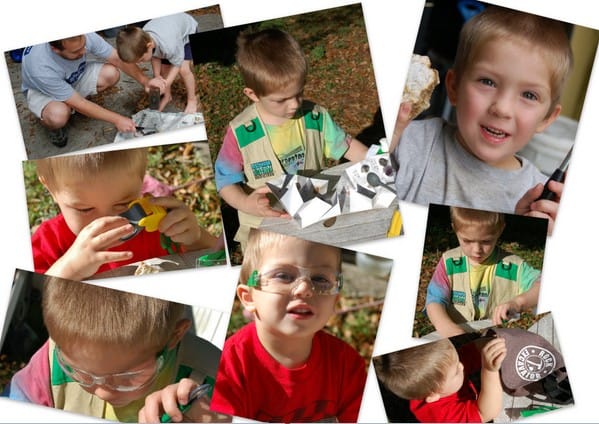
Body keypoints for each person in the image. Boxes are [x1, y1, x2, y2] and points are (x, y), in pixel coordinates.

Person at [391, 6, 573, 235]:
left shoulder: (543, 202)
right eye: (487, 82)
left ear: (546, 118)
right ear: (454, 86)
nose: (502, 109)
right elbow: (351, 219)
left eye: (529, 95)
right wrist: (388, 141)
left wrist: (525, 233)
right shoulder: (409, 144)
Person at [213, 28, 370, 249]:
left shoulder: (314, 117)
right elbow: (225, 181)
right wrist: (245, 203)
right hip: (266, 230)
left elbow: (347, 146)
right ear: (252, 94)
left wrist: (373, 159)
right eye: (282, 99)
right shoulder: (241, 133)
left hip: (314, 216)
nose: (295, 104)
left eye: (299, 93)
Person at [3, 276, 228, 423]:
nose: (103, 392)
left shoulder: (217, 376)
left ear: (174, 336)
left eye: (127, 377)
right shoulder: (53, 360)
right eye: (80, 373)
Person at [210, 229, 367, 422]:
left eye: (320, 279)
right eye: (283, 276)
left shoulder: (347, 365)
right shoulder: (227, 368)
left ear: (335, 301)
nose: (304, 289)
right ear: (249, 297)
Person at [31, 147, 218, 281]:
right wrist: (70, 268)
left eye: (123, 204)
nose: (106, 222)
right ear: (50, 189)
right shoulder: (49, 241)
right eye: (84, 209)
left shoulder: (158, 224)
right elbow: (33, 304)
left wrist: (196, 238)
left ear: (141, 178)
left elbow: (216, 256)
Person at [20, 33, 155, 147]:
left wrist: (145, 81)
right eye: (76, 51)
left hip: (74, 76)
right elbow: (79, 103)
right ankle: (50, 122)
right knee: (58, 115)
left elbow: (116, 58)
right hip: (43, 91)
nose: (84, 51)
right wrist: (118, 119)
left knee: (111, 73)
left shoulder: (80, 35)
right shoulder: (39, 67)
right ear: (55, 49)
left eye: (83, 45)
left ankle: (73, 104)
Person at [426, 207, 541, 338]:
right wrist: (448, 328)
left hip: (499, 341)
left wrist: (518, 302)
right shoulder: (450, 262)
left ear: (500, 230)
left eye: (486, 241)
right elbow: (434, 300)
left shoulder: (512, 267)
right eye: (467, 241)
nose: (477, 250)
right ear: (455, 229)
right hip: (456, 337)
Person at [373, 336, 507, 423]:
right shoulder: (444, 417)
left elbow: (471, 352)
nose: (461, 365)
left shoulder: (440, 372)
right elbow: (486, 412)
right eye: (455, 372)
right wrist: (489, 370)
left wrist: (492, 344)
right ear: (434, 396)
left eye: (457, 360)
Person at [116, 13, 199, 114]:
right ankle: (167, 96)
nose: (141, 63)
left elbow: (177, 63)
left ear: (149, 45)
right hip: (168, 33)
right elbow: (155, 55)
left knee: (184, 70)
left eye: (141, 59)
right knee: (163, 70)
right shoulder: (145, 38)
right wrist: (157, 77)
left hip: (187, 34)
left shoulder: (169, 46)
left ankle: (192, 99)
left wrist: (166, 83)